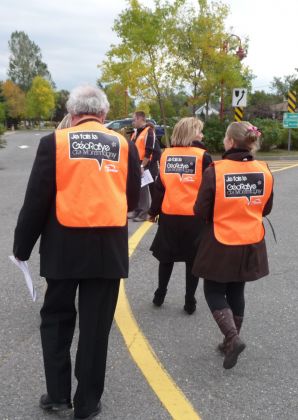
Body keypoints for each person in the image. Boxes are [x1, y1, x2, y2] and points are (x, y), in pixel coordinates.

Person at [13, 85, 141, 419]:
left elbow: (36, 202)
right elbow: (131, 196)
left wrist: (21, 248)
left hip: (62, 249)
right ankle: (87, 403)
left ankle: (57, 395)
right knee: (96, 329)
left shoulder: (53, 143)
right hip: (107, 251)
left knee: (56, 323)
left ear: (72, 113)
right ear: (104, 114)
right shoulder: (126, 145)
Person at [192, 121, 274, 369]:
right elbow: (266, 208)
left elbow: (201, 210)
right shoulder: (264, 170)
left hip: (222, 240)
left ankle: (232, 337)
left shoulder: (216, 170)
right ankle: (230, 340)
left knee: (213, 290)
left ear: (229, 141)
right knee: (237, 291)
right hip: (251, 240)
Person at [148, 117, 212, 314]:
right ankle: (189, 300)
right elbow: (209, 189)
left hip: (170, 214)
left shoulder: (166, 155)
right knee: (192, 260)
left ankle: (160, 294)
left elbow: (160, 187)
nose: (202, 135)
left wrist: (153, 211)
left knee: (166, 257)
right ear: (191, 133)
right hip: (195, 217)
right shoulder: (204, 157)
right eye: (199, 131)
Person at [129, 111, 156, 222]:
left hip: (144, 164)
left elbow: (149, 150)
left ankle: (144, 213)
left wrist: (142, 165)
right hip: (135, 163)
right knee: (136, 188)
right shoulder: (135, 132)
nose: (132, 122)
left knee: (144, 190)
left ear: (140, 119)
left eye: (134, 119)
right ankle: (136, 209)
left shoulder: (149, 131)